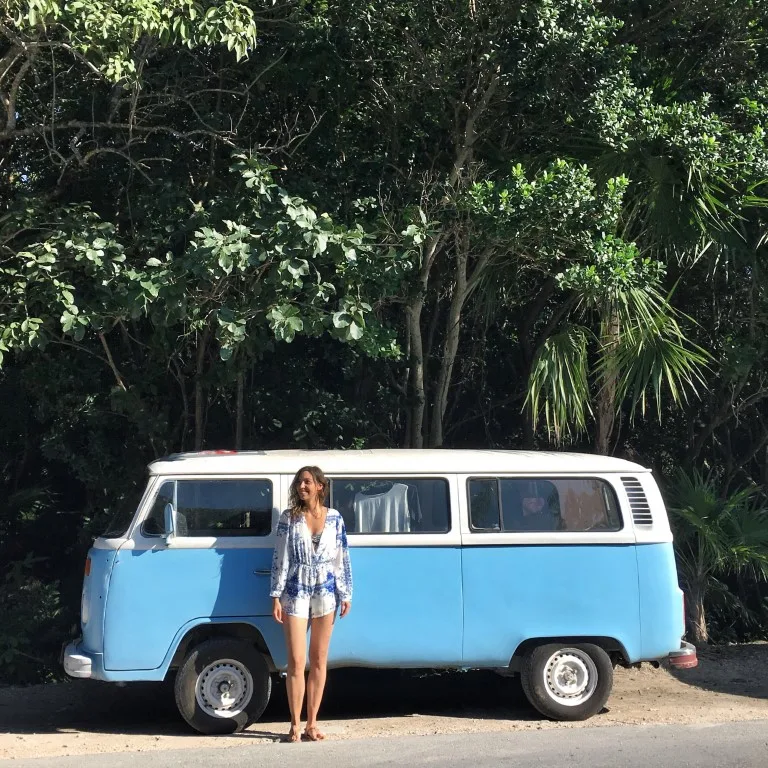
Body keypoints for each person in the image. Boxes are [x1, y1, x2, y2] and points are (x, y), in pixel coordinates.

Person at [270, 466, 352, 742]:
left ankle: (312, 723)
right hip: (295, 589)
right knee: (295, 661)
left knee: (319, 660)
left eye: (307, 482)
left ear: (319, 486)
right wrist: (276, 595)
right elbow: (280, 559)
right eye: (299, 482)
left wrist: (346, 592)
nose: (301, 486)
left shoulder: (335, 518)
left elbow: (342, 557)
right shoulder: (289, 519)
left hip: (326, 590)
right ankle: (294, 723)